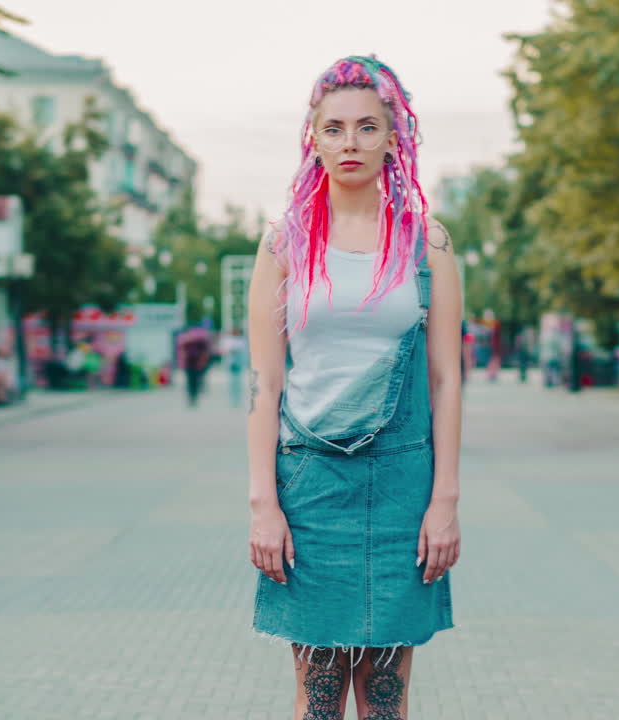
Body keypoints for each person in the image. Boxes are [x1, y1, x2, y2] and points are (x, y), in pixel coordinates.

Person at [245, 56, 461, 720]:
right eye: (334, 128)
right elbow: (265, 383)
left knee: (387, 708)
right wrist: (263, 504)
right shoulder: (283, 244)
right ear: (312, 137)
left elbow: (447, 379)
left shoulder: (429, 244)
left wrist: (444, 501)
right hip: (309, 489)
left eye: (368, 127)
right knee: (318, 706)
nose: (350, 143)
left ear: (394, 137)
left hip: (402, 490)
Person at [177, 329, 212, 407]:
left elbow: (205, 353)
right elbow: (181, 352)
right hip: (188, 365)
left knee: (196, 381)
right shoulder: (186, 343)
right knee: (190, 382)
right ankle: (191, 398)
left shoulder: (200, 343)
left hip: (197, 365)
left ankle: (194, 397)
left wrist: (202, 363)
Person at [220, 327, 249, 408]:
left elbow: (244, 351)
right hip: (231, 363)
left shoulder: (242, 340)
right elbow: (224, 350)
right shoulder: (229, 340)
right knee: (232, 382)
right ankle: (233, 399)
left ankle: (237, 399)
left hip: (238, 363)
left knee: (237, 382)